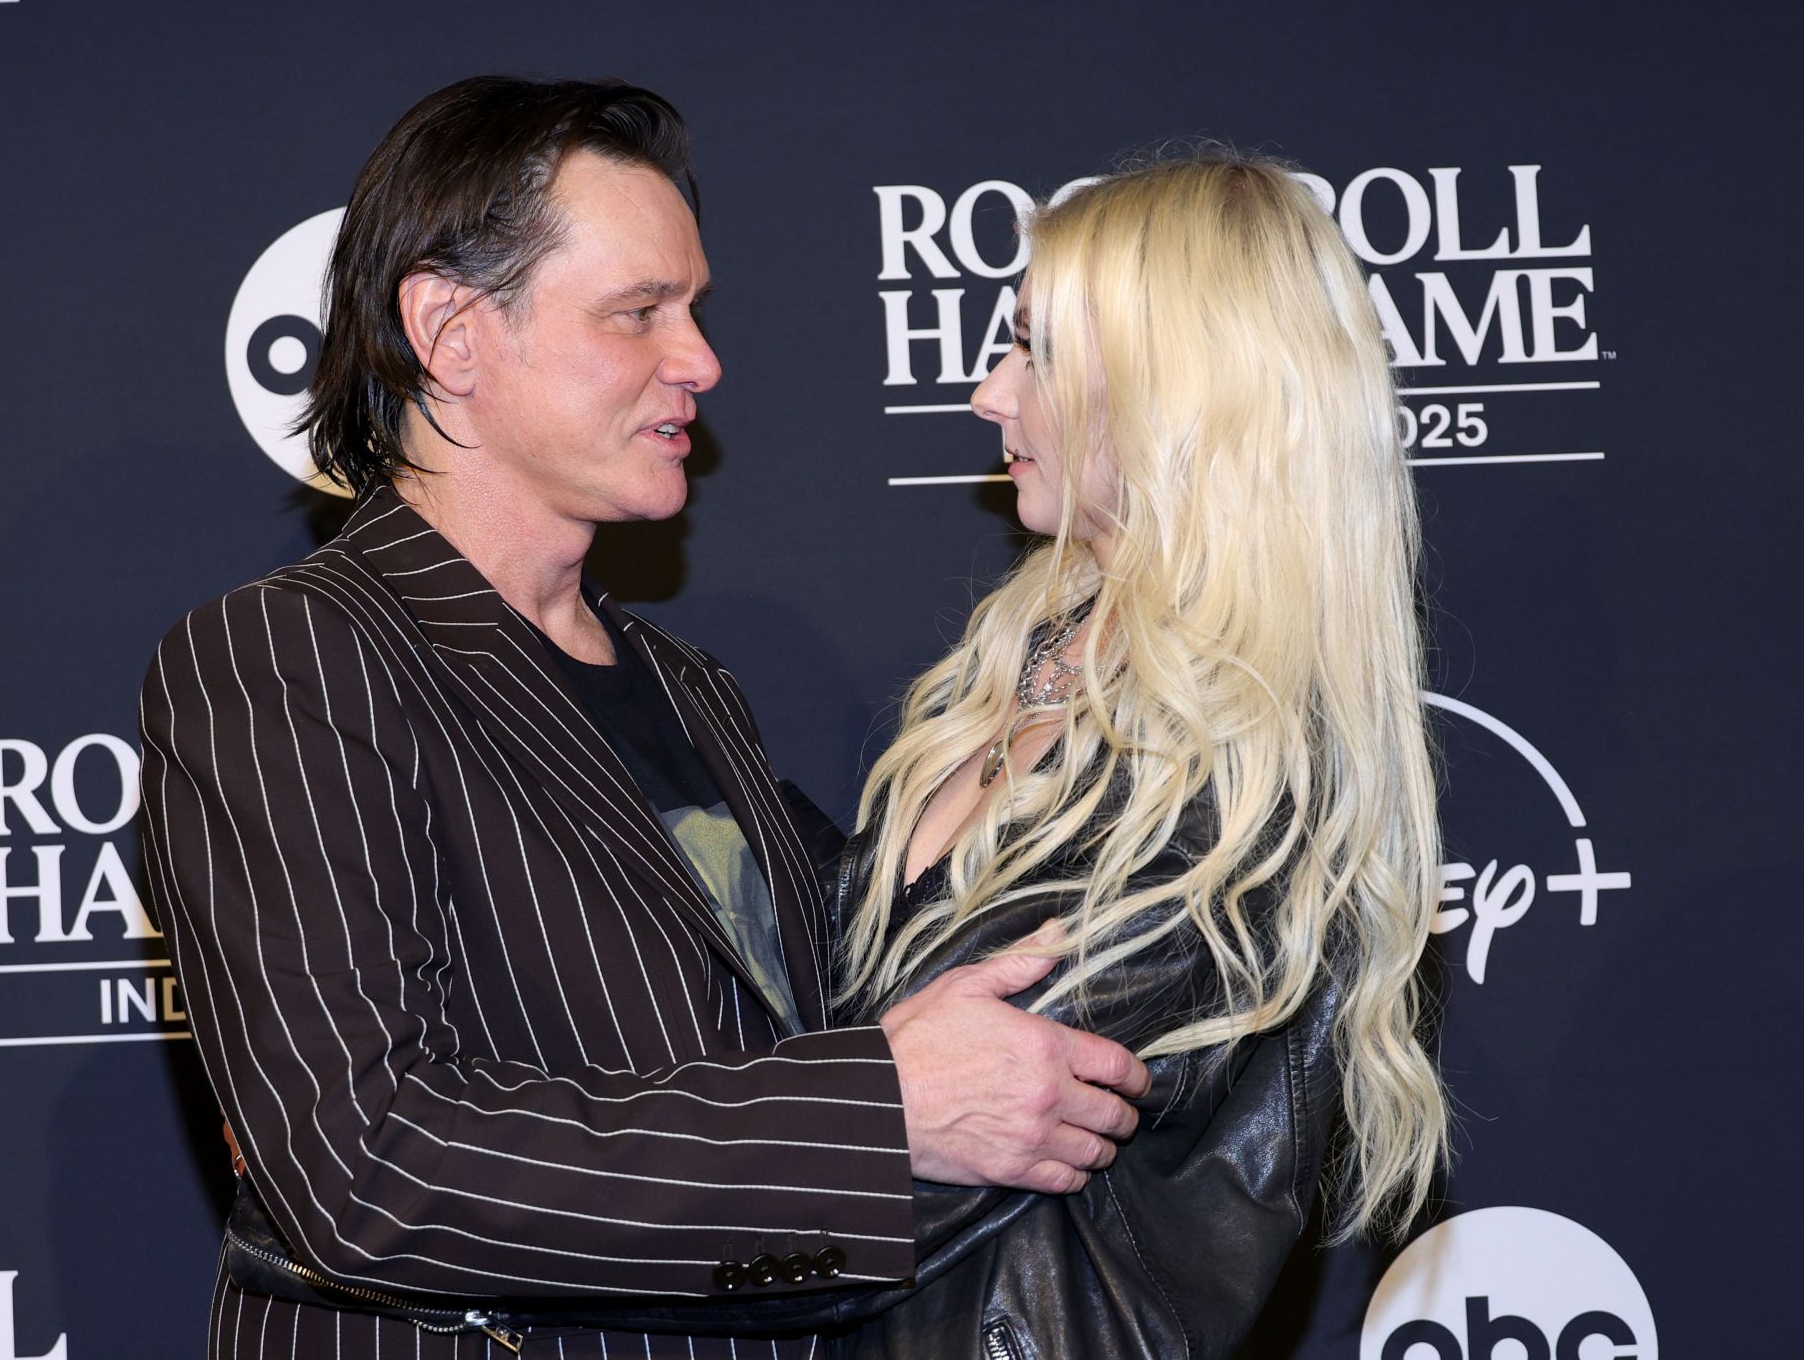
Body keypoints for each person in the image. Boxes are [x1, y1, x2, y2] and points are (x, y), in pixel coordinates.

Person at [138, 76, 1150, 1360]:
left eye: (694, 309)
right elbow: (366, 1169)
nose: (702, 360)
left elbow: (877, 991)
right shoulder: (286, 658)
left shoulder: (684, 685)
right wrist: (872, 1119)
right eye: (638, 314)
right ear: (452, 334)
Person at [470, 152, 1450, 1357]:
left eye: (1038, 349)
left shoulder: (1235, 797)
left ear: (1181, 394)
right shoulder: (1029, 671)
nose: (991, 392)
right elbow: (809, 1008)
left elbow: (869, 1195)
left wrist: (404, 1211)